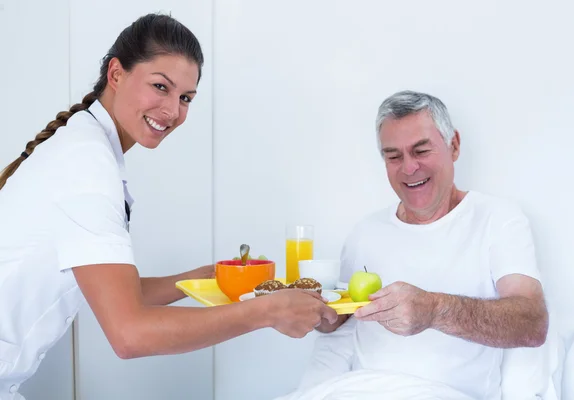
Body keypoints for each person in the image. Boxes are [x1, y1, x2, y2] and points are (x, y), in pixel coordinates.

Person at [0, 13, 337, 399]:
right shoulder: (85, 164)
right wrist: (269, 312)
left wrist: (204, 278)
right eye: (160, 86)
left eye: (185, 98)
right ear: (116, 73)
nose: (173, 111)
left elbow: (117, 293)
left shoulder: (85, 148)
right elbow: (130, 334)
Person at [288, 90, 549, 400]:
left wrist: (435, 310)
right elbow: (336, 324)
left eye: (421, 151)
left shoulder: (498, 219)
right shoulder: (365, 232)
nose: (409, 168)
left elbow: (532, 323)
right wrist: (313, 312)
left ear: (454, 146)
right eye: (394, 156)